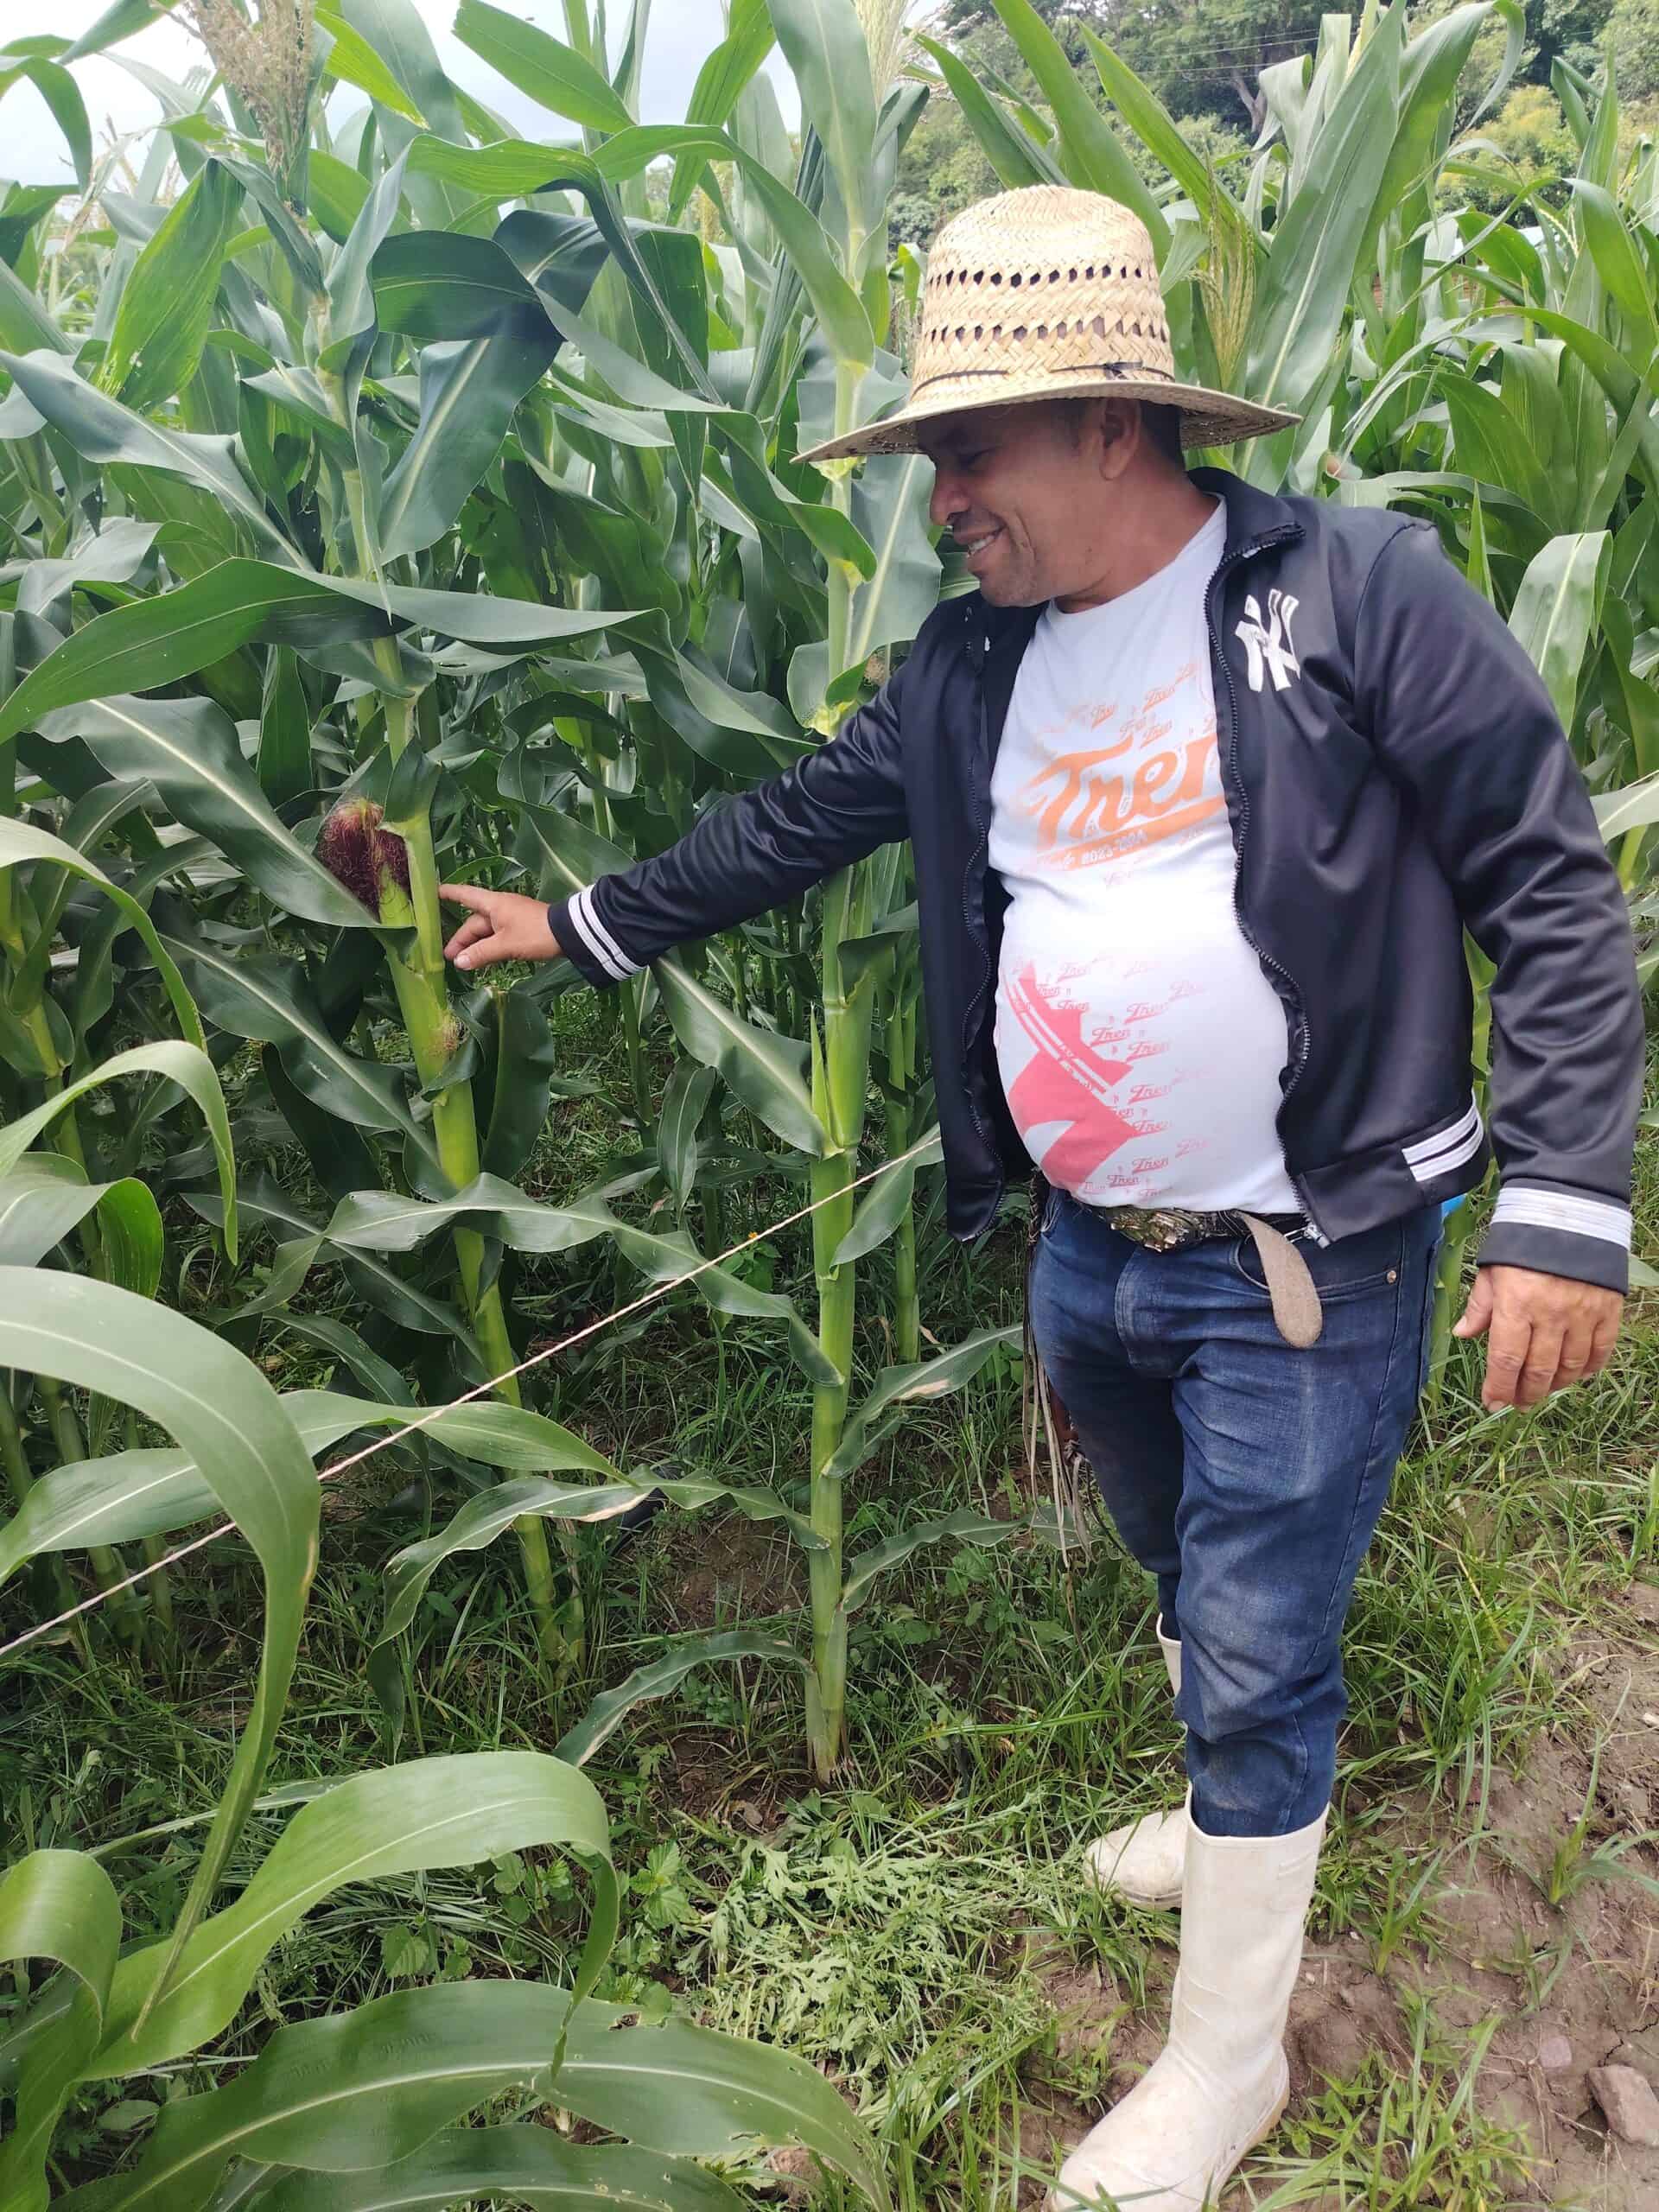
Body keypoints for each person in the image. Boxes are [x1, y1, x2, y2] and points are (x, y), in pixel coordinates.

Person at [438, 188, 1642, 2211]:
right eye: (928, 459)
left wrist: (1566, 1205)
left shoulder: (1349, 595)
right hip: (1093, 1249)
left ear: (1111, 425)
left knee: (1262, 1637)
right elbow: (797, 819)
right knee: (1184, 1574)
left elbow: (1545, 874)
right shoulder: (973, 663)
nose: (940, 501)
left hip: (1307, 1249)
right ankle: (1221, 1800)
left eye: (968, 451)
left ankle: (1225, 2057)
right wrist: (577, 926)